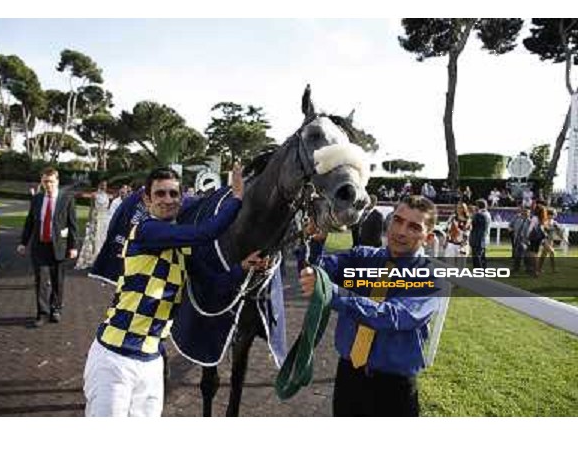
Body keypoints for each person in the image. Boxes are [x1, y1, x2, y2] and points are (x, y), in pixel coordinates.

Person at [82, 164, 265, 417]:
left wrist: (243, 268)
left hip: (152, 362)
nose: (168, 200)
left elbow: (214, 284)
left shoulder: (182, 249)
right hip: (115, 360)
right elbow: (206, 232)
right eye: (160, 194)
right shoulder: (146, 230)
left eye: (174, 194)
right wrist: (236, 198)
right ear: (146, 200)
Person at [298, 195, 444, 417]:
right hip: (348, 375)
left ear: (428, 237)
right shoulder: (362, 256)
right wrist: (315, 242)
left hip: (393, 388)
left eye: (414, 226)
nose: (401, 231)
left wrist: (334, 294)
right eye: (397, 220)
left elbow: (392, 316)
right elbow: (317, 269)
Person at [17, 167, 78, 327]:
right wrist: (23, 242)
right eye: (45, 181)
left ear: (57, 181)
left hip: (59, 247)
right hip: (40, 247)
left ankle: (56, 309)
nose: (48, 184)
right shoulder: (37, 199)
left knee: (58, 280)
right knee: (41, 281)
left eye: (50, 181)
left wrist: (73, 246)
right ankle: (42, 313)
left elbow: (73, 225)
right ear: (42, 182)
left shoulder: (67, 199)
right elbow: (30, 222)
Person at [75, 180, 111, 270]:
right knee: (93, 239)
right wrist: (89, 219)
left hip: (104, 219)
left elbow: (107, 209)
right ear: (99, 185)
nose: (104, 187)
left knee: (103, 238)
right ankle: (91, 258)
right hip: (96, 218)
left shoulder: (107, 196)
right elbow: (91, 208)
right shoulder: (94, 195)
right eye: (102, 185)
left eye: (105, 185)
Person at [538, 208, 565, 274]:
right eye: (554, 214)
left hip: (550, 240)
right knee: (552, 252)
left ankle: (538, 268)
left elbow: (559, 231)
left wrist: (563, 238)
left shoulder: (554, 222)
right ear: (550, 215)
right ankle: (553, 269)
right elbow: (542, 229)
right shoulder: (545, 221)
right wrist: (546, 231)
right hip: (544, 240)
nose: (555, 215)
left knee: (543, 255)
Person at [526, 205, 548, 277]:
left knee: (533, 254)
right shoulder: (543, 218)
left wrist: (527, 236)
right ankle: (536, 270)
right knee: (536, 254)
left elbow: (531, 228)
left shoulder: (535, 218)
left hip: (534, 237)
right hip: (540, 237)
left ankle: (535, 271)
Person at [469, 199, 491, 269]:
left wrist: (472, 214)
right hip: (484, 238)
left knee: (477, 257)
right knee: (482, 256)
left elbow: (472, 224)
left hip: (477, 239)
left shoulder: (479, 215)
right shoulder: (487, 213)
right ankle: (484, 270)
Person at [508, 206, 531, 273]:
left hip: (525, 240)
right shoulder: (517, 219)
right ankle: (516, 268)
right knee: (517, 255)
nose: (526, 213)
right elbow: (510, 226)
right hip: (517, 239)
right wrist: (511, 230)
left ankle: (528, 268)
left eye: (527, 212)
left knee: (526, 255)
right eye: (524, 211)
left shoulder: (530, 222)